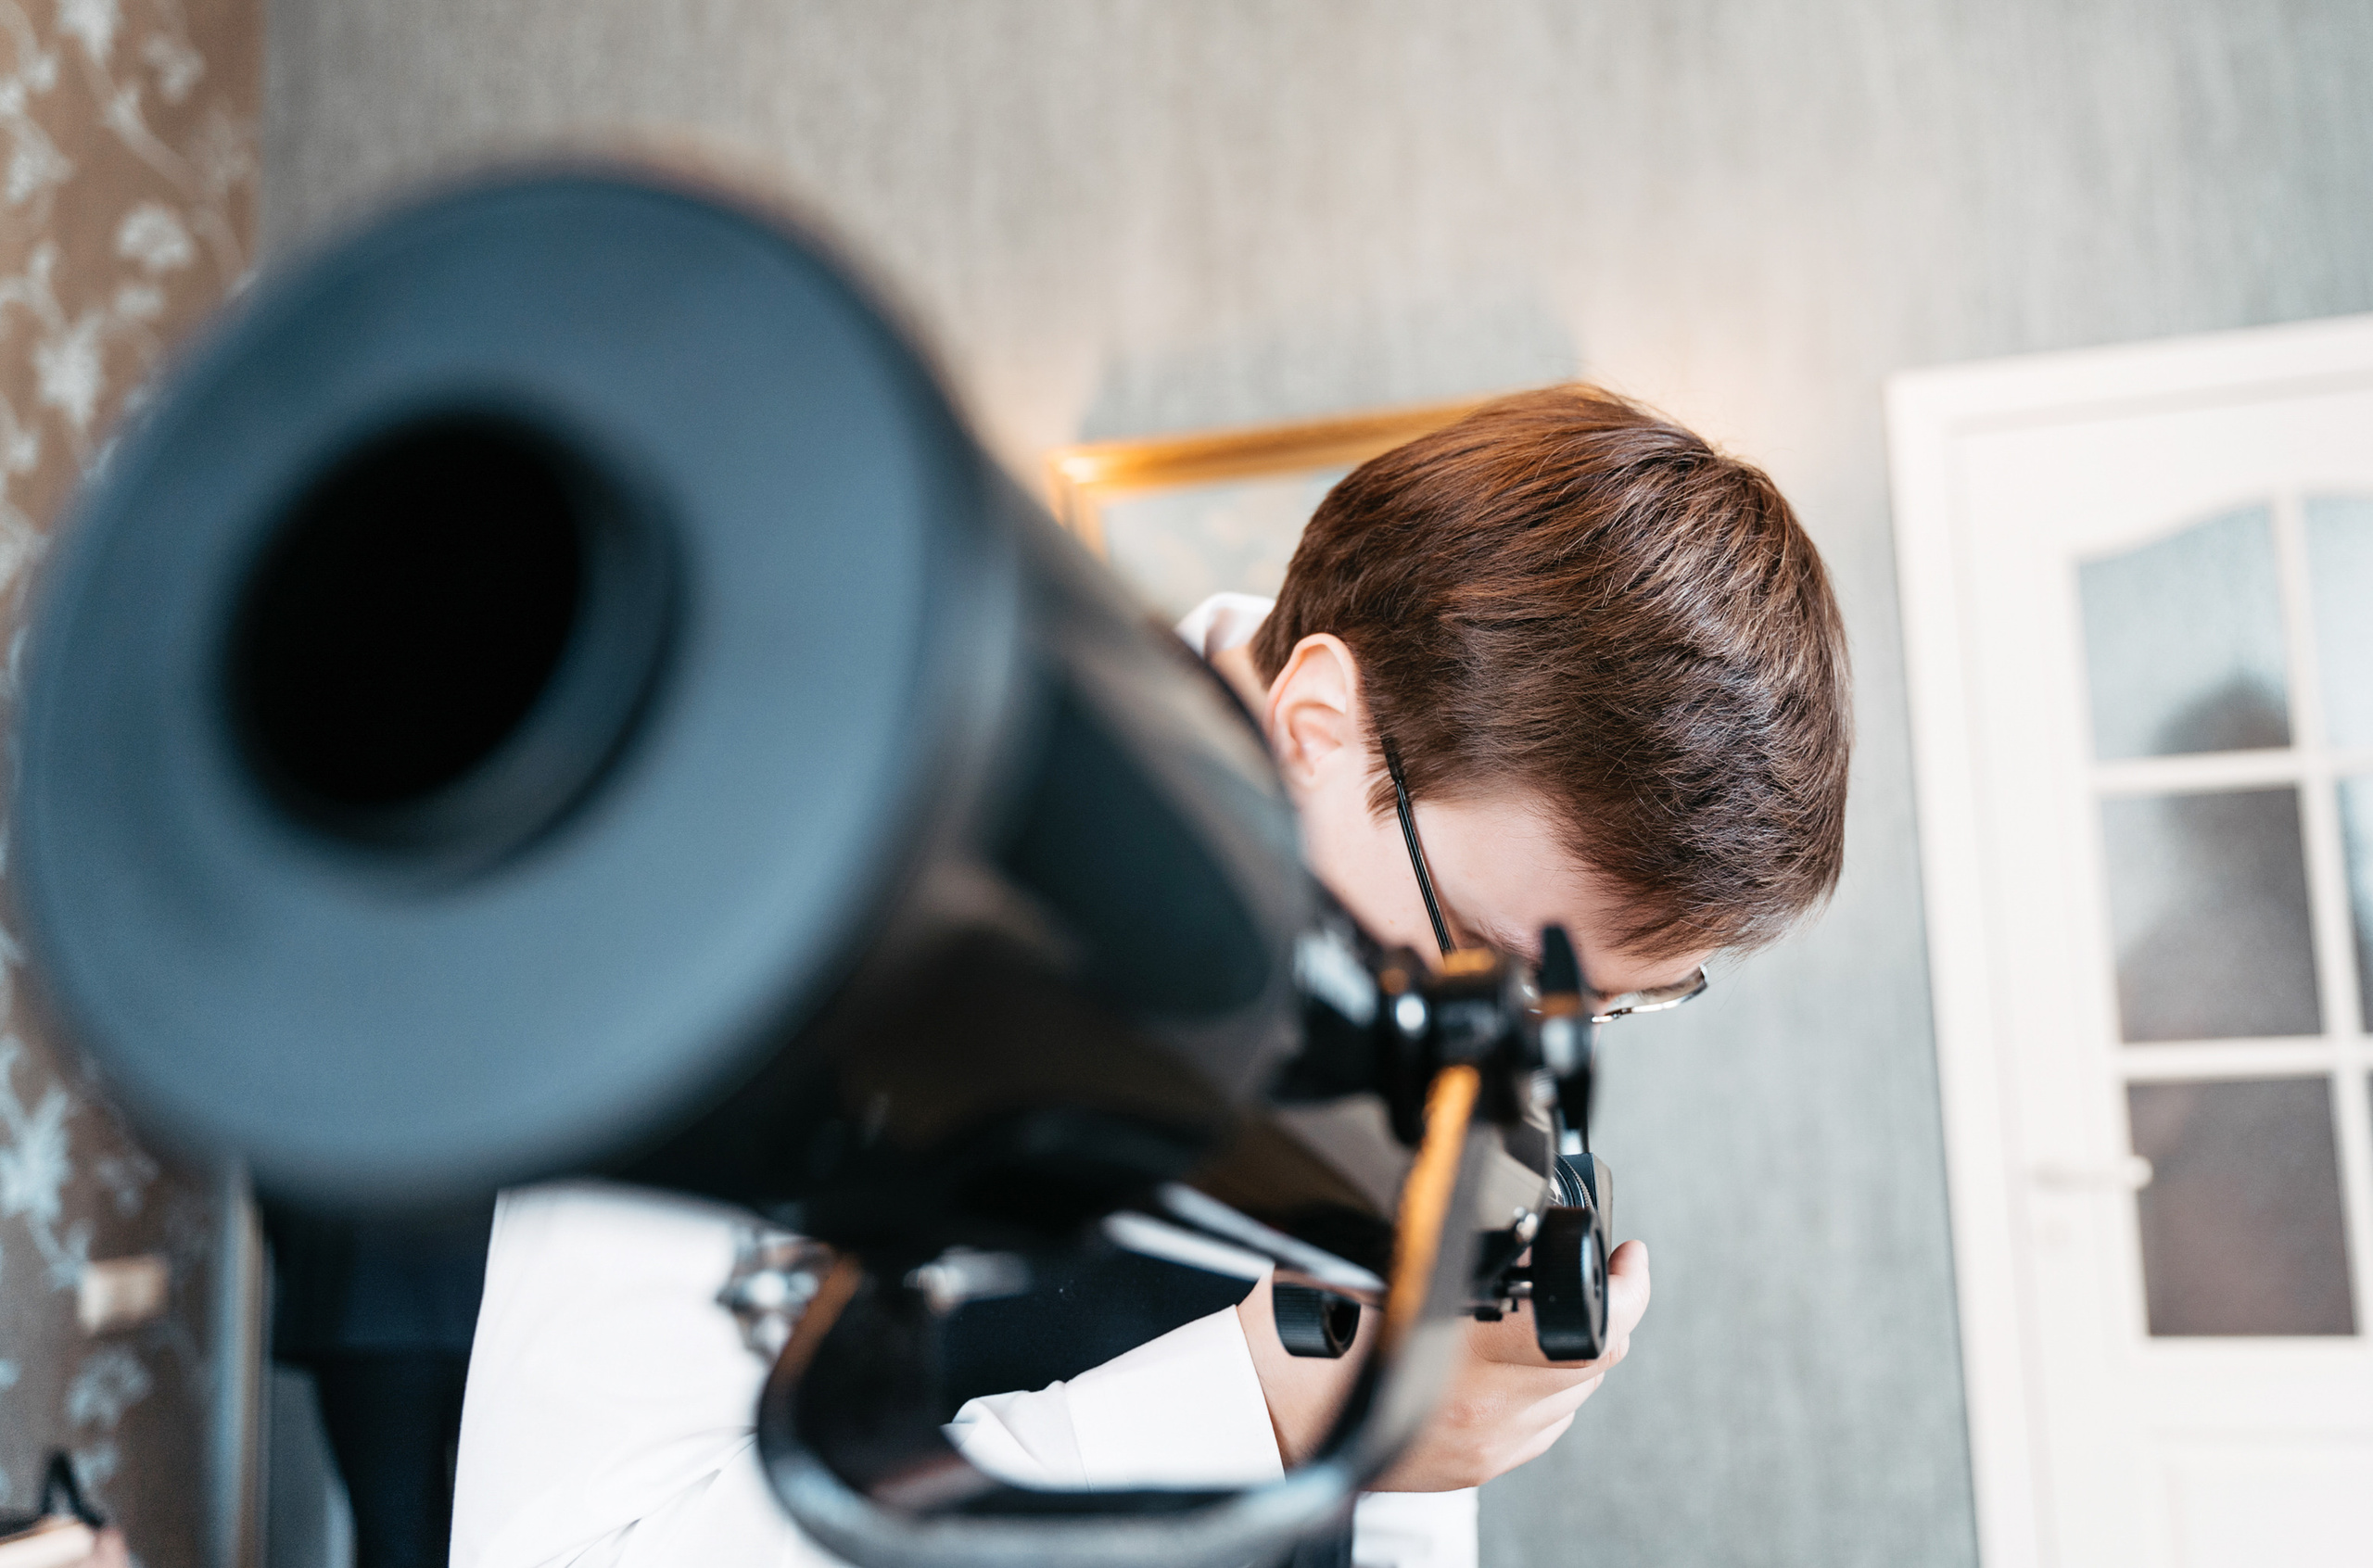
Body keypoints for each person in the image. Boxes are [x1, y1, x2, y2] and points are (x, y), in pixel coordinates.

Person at [450, 384, 1851, 1568]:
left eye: (1610, 1007)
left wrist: (1412, 1442)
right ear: (1316, 726)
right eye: (1488, 960)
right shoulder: (813, 890)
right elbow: (579, 1549)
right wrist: (1257, 1415)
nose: (1509, 1048)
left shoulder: (1442, 968)